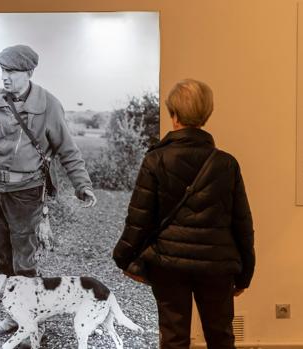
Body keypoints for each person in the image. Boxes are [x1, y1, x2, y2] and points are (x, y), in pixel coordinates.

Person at [112, 79, 255, 348]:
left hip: (169, 265)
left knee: (174, 338)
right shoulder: (226, 163)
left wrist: (122, 258)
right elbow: (242, 224)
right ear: (206, 114)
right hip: (218, 267)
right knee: (221, 337)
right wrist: (245, 272)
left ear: (173, 114)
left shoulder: (155, 160)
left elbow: (139, 219)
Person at [0, 44, 97, 342]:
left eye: (12, 73)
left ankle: (31, 326)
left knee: (24, 261)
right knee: (2, 257)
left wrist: (83, 185)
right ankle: (11, 316)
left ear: (28, 73)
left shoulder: (49, 105)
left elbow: (68, 150)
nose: (5, 78)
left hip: (27, 192)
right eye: (3, 71)